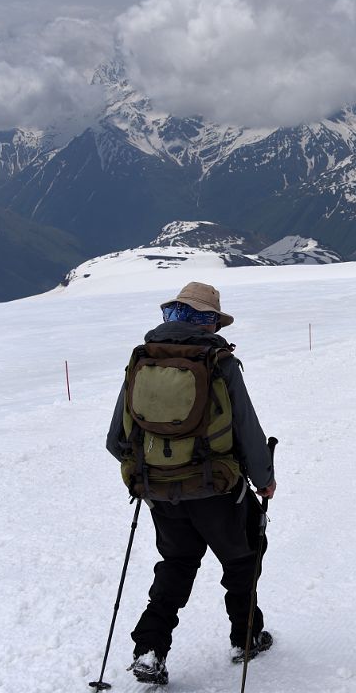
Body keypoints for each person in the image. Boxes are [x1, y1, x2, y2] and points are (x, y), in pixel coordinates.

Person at [106, 282, 276, 686]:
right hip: (217, 486)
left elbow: (116, 439)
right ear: (209, 321)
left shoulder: (142, 359)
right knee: (242, 556)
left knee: (176, 565)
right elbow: (247, 430)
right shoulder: (219, 361)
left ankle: (149, 648)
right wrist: (264, 479)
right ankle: (246, 638)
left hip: (159, 490)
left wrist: (157, 469)